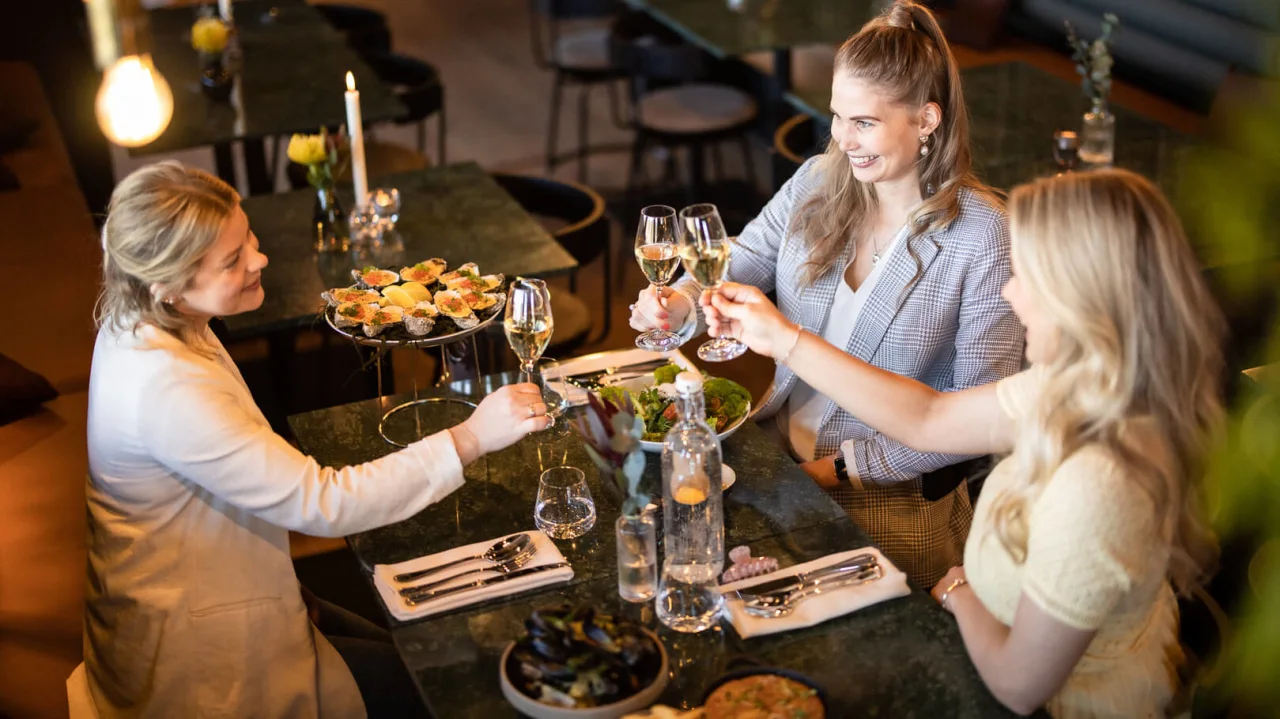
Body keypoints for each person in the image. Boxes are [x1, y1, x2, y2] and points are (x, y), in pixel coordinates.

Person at [702, 168, 1221, 717]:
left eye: (1025, 276)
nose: (1009, 294)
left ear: (1080, 299)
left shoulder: (1096, 483)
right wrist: (786, 340)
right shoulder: (1082, 388)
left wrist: (958, 593)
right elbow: (928, 418)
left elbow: (1020, 687)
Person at [67, 161, 553, 718]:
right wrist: (470, 436)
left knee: (415, 644)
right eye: (233, 260)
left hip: (228, 589)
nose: (260, 259)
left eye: (247, 236)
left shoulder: (147, 316)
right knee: (445, 683)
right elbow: (322, 503)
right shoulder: (166, 390)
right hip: (198, 657)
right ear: (169, 285)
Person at [629, 0, 1023, 587]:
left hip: (889, 501)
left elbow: (976, 417)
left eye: (864, 122)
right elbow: (747, 253)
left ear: (927, 120)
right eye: (837, 117)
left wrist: (825, 473)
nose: (844, 139)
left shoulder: (984, 237)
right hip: (772, 456)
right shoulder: (821, 178)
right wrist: (683, 302)